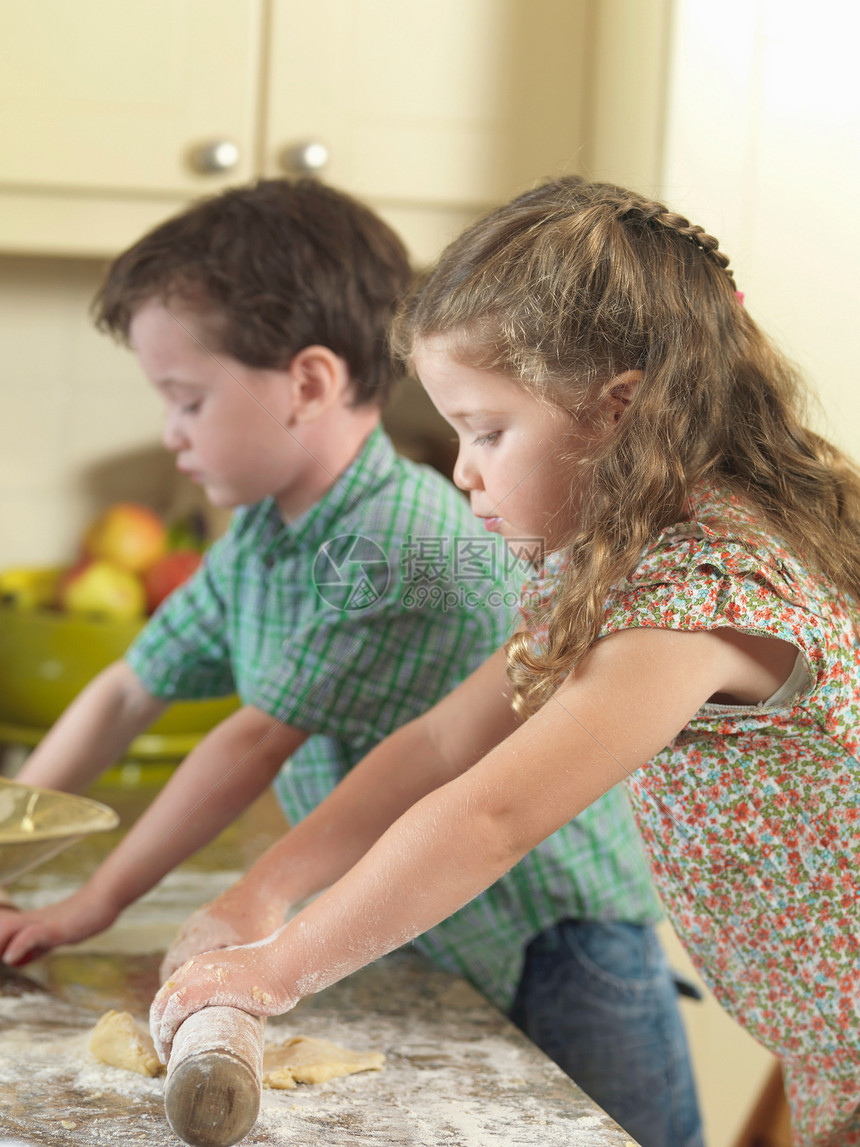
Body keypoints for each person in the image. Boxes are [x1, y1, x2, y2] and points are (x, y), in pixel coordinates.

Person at [151, 175, 860, 1147]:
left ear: (618, 410)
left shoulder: (705, 594)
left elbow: (490, 814)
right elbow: (443, 742)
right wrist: (262, 890)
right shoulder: (616, 561)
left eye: (486, 430)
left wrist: (279, 970)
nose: (462, 470)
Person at [0, 178, 702, 1147]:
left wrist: (93, 901)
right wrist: (11, 837)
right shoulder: (259, 538)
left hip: (555, 933)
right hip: (419, 911)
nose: (170, 432)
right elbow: (130, 684)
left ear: (308, 383)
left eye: (187, 399)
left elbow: (252, 745)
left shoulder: (396, 540)